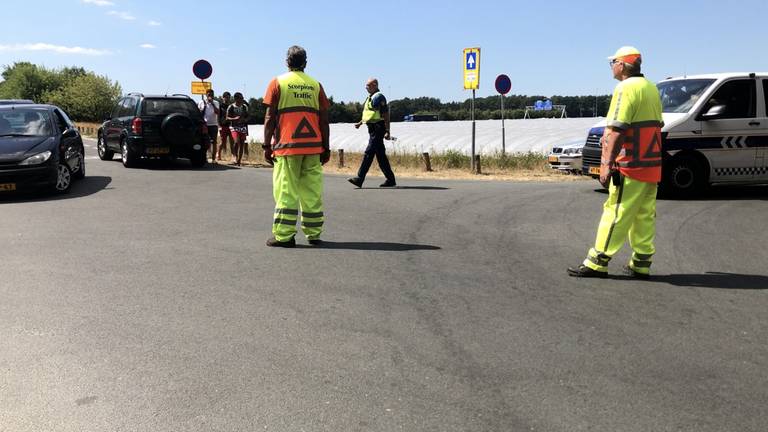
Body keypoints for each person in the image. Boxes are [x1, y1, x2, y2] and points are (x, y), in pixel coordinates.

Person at [568, 46, 663, 279]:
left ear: (622, 65)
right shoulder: (651, 88)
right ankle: (641, 263)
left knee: (616, 212)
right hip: (652, 164)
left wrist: (606, 164)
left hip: (630, 164)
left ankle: (597, 261)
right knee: (644, 215)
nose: (611, 67)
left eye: (613, 62)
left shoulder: (625, 88)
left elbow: (617, 129)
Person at [262, 45, 331, 247]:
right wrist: (325, 148)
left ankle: (284, 236)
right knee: (312, 191)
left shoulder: (277, 83)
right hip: (313, 148)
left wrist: (267, 145)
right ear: (306, 63)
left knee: (286, 191)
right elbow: (324, 120)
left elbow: (269, 118)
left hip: (287, 147)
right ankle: (314, 233)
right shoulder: (316, 85)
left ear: (287, 62)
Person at [347, 78, 396, 188]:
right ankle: (390, 179)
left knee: (369, 152)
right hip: (372, 128)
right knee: (381, 156)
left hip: (378, 128)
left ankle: (360, 178)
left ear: (374, 85)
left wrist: (387, 130)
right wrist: (360, 123)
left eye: (368, 85)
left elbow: (385, 115)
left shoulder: (379, 97)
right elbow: (369, 114)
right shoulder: (370, 97)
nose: (366, 87)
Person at [226, 92, 249, 166]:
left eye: (242, 98)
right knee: (236, 142)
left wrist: (245, 120)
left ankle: (239, 160)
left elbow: (248, 116)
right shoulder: (231, 107)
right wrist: (234, 118)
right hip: (234, 127)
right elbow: (227, 117)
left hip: (242, 127)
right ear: (236, 99)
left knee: (242, 144)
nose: (242, 99)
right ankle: (235, 156)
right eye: (241, 98)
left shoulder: (244, 106)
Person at [198, 89, 220, 163]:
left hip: (213, 125)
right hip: (205, 125)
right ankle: (205, 157)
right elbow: (199, 113)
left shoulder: (216, 102)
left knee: (214, 142)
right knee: (204, 142)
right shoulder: (201, 102)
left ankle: (213, 159)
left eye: (211, 94)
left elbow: (217, 112)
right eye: (208, 94)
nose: (210, 95)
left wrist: (212, 104)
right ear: (206, 95)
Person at [217, 91, 233, 161]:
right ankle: (218, 154)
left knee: (232, 142)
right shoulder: (220, 106)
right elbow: (218, 116)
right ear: (223, 98)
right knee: (222, 142)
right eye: (226, 97)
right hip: (223, 126)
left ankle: (233, 155)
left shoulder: (231, 106)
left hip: (230, 126)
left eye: (229, 97)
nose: (227, 99)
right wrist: (219, 126)